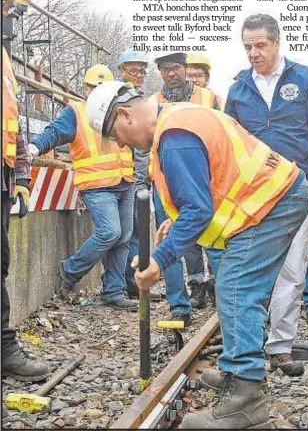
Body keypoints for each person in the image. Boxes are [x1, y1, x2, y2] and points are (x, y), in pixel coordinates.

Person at [85, 81, 308, 429]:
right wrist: (175, 224)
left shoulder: (174, 137)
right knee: (233, 286)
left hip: (271, 203)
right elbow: (210, 183)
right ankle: (239, 374)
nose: (119, 144)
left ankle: (245, 400)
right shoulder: (177, 121)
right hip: (271, 198)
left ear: (125, 114)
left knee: (237, 287)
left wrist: (159, 260)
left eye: (114, 134)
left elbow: (199, 209)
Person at [225, 14, 308, 377]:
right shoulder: (239, 89)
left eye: (260, 45)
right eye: (247, 47)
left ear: (276, 42)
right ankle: (249, 345)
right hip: (252, 195)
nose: (253, 53)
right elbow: (228, 142)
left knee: (292, 269)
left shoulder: (305, 79)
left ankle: (281, 345)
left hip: (296, 189)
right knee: (251, 270)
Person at [28, 65, 137, 311]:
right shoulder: (76, 112)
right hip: (97, 186)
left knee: (122, 240)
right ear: (85, 89)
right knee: (110, 233)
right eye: (93, 87)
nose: (98, 92)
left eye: (103, 87)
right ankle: (70, 270)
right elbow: (54, 133)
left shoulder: (121, 110)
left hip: (125, 181)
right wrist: (35, 147)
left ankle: (113, 292)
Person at [2, 0, 51, 382]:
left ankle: (2, 349)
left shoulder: (2, 59)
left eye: (7, 7)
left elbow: (13, 122)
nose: (5, 14)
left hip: (1, 180)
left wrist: (20, 179)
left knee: (0, 263)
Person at [145, 52, 221, 325]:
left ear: (185, 69)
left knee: (215, 239)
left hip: (206, 178)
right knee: (169, 241)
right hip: (165, 181)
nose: (171, 73)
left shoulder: (209, 98)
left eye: (175, 68)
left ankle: (225, 300)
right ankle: (179, 305)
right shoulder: (152, 103)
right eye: (165, 70)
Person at [117, 48, 161, 302]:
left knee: (138, 232)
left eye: (141, 71)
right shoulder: (119, 102)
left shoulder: (142, 101)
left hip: (142, 177)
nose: (138, 75)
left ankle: (134, 283)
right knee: (129, 232)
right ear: (122, 72)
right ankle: (127, 283)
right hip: (128, 178)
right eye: (132, 71)